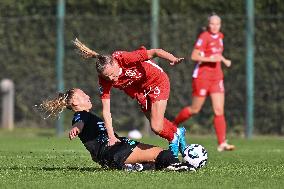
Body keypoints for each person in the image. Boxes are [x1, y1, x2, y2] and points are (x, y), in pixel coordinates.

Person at [73, 39, 187, 157]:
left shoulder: (124, 58)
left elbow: (154, 52)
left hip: (157, 81)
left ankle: (173, 138)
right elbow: (106, 110)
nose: (111, 79)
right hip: (141, 91)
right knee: (156, 124)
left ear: (115, 63)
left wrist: (172, 58)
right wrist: (111, 137)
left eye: (112, 74)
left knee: (156, 126)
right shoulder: (104, 80)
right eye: (107, 77)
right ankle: (177, 132)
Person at [38, 88, 195, 171]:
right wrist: (76, 129)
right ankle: (182, 166)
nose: (88, 96)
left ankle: (135, 168)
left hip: (113, 153)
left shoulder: (87, 115)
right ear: (75, 102)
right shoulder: (81, 115)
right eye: (83, 95)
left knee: (154, 161)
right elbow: (79, 123)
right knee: (162, 154)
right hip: (115, 150)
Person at [173, 14, 235, 152]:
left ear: (220, 25)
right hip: (202, 77)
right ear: (208, 24)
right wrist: (213, 59)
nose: (215, 26)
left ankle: (222, 143)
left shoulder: (220, 36)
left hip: (217, 77)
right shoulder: (204, 37)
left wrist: (224, 60)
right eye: (212, 24)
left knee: (219, 110)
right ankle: (173, 125)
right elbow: (195, 56)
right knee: (195, 109)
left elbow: (217, 54)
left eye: (217, 24)